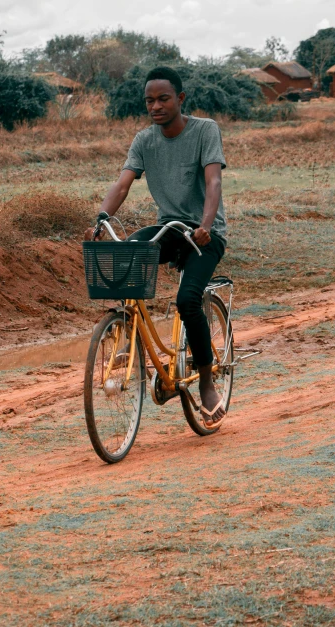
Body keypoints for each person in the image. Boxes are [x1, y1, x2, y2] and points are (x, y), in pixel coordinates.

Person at [84, 66, 228, 428]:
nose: (156, 106)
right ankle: (126, 339)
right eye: (149, 100)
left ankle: (208, 383)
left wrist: (206, 226)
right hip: (169, 228)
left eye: (164, 99)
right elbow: (123, 183)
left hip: (203, 234)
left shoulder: (204, 130)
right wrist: (102, 217)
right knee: (126, 258)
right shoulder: (144, 140)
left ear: (180, 99)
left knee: (187, 300)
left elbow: (213, 182)